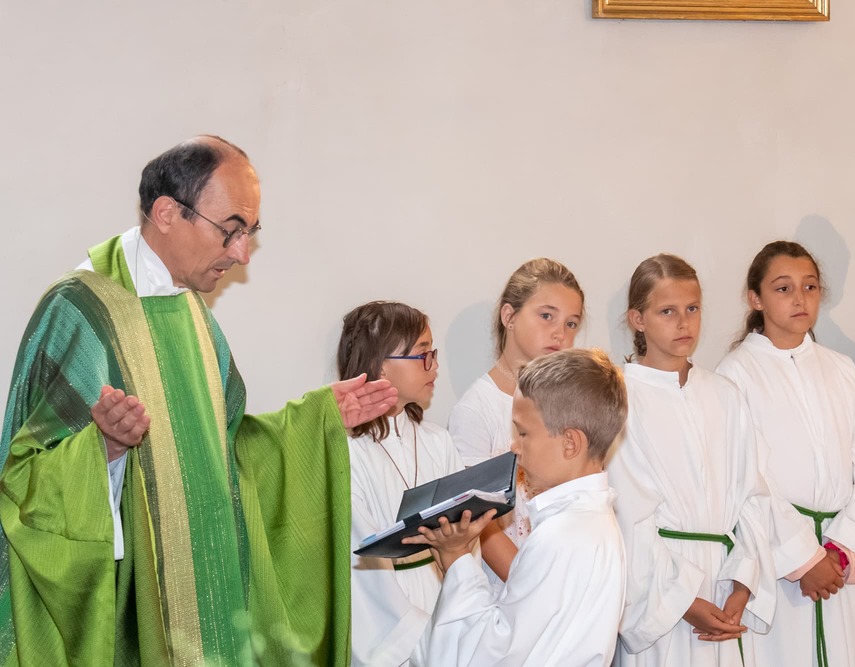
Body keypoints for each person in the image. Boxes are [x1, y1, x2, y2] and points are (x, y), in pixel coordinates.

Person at [0, 136, 396, 665]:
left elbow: (225, 453)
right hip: (130, 618)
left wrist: (317, 419)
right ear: (167, 213)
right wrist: (104, 450)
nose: (240, 253)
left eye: (250, 233)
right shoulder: (81, 311)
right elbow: (23, 479)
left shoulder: (192, 314)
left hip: (213, 609)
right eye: (231, 230)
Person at [716, 241, 855, 667]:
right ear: (756, 299)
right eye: (783, 288)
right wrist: (803, 558)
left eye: (810, 287)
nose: (800, 298)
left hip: (838, 564)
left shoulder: (843, 370)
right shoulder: (735, 375)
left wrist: (841, 551)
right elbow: (746, 479)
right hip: (777, 564)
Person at [406, 348, 628, 666]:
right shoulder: (595, 521)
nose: (514, 447)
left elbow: (495, 653)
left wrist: (456, 559)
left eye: (523, 433)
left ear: (570, 444)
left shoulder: (560, 536)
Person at [609, 254, 776, 666]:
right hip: (660, 594)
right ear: (638, 319)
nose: (684, 323)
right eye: (667, 311)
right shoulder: (618, 399)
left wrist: (743, 582)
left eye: (693, 309)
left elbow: (753, 497)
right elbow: (628, 516)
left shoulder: (725, 394)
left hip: (726, 582)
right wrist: (683, 601)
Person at [337, 301, 466, 667]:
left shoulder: (438, 441)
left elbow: (464, 538)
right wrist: (419, 637)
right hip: (391, 626)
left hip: (445, 603)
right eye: (422, 354)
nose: (434, 366)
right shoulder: (347, 452)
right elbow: (359, 561)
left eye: (433, 353)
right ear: (380, 365)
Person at [447, 258, 584, 580]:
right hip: (510, 587)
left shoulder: (571, 404)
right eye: (546, 316)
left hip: (563, 575)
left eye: (571, 323)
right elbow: (479, 523)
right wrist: (530, 585)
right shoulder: (476, 410)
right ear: (509, 316)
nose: (560, 333)